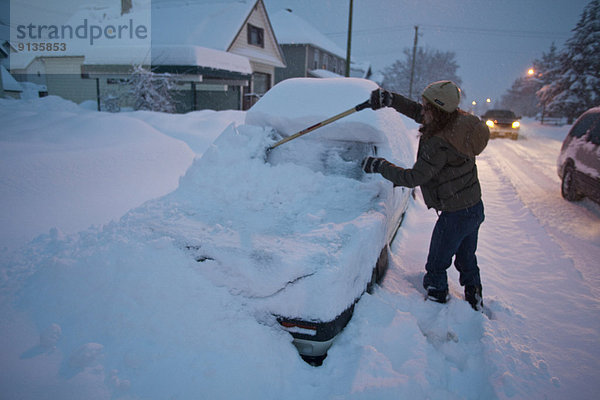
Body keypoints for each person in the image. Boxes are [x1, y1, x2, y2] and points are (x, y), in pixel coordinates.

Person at [362, 81, 490, 311]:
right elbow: (417, 112)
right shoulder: (455, 123)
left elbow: (413, 178)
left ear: (437, 111)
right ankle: (475, 296)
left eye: (426, 106)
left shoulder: (439, 144)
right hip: (473, 208)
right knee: (466, 259)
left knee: (437, 264)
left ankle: (436, 303)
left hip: (455, 215)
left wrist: (380, 165)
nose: (422, 109)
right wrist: (391, 99)